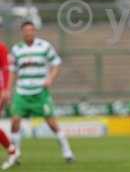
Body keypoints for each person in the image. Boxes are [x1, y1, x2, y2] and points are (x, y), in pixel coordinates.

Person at [8, 21, 75, 167]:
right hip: (22, 92)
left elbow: (56, 63)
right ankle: (16, 155)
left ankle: (67, 152)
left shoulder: (44, 46)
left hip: (40, 93)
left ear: (35, 31)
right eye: (25, 31)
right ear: (22, 32)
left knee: (52, 123)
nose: (28, 33)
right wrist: (8, 89)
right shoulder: (16, 49)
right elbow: (12, 71)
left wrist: (50, 78)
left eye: (31, 30)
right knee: (15, 122)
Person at [0, 41, 17, 170]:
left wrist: (6, 90)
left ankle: (12, 152)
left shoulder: (1, 47)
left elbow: (6, 69)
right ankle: (13, 151)